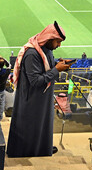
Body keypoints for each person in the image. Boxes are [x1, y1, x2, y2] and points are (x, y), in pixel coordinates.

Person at [7, 22, 70, 157]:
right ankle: (29, 151)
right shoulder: (32, 54)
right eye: (58, 42)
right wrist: (56, 69)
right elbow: (35, 81)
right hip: (32, 100)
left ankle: (42, 148)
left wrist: (58, 64)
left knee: (42, 125)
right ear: (50, 38)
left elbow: (46, 66)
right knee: (31, 126)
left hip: (41, 98)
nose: (59, 45)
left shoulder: (46, 50)